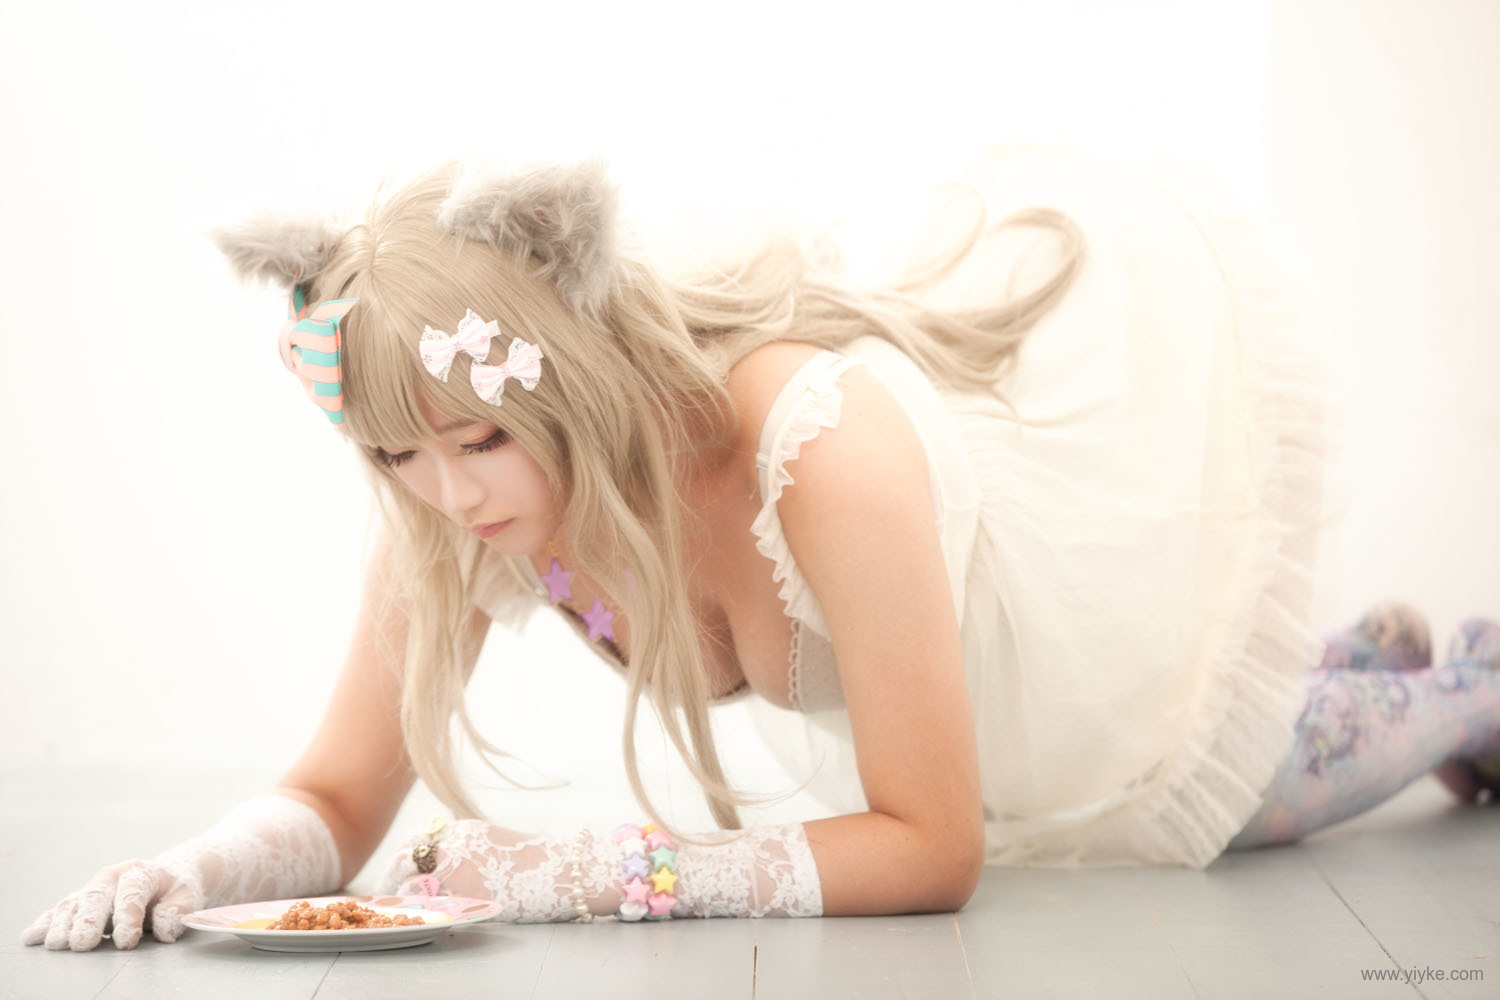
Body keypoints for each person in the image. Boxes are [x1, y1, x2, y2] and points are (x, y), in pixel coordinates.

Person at [21, 144, 1500, 952]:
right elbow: (342, 788)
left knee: (1231, 799)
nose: (448, 498)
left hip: (1048, 668)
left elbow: (934, 847)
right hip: (946, 700)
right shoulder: (453, 508)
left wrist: (583, 872)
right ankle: (1361, 654)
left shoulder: (816, 452)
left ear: (573, 387)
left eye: (476, 441)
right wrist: (194, 868)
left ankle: (1467, 690)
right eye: (398, 456)